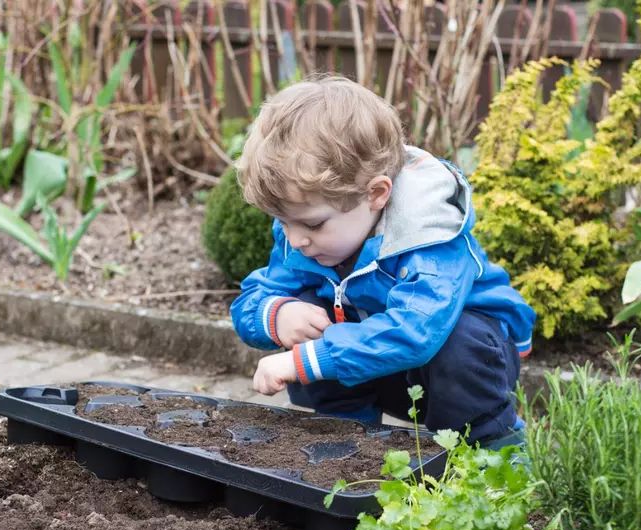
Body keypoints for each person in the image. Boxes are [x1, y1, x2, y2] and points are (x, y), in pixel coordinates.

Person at [228, 74, 535, 448]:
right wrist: (277, 315)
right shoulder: (307, 237)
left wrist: (304, 361)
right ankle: (347, 439)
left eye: (311, 223)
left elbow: (415, 332)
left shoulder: (430, 236)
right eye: (283, 221)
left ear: (375, 194)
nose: (294, 239)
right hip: (379, 365)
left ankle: (492, 451)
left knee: (459, 342)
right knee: (312, 314)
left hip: (466, 371)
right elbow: (254, 296)